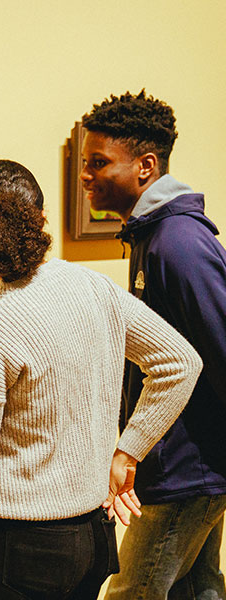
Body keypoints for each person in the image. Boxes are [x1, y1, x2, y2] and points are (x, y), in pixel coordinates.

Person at [0, 159, 202, 600]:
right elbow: (181, 362)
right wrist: (128, 452)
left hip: (16, 549)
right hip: (93, 537)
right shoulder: (94, 286)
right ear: (43, 217)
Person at [80, 90, 226, 600]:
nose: (86, 176)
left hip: (190, 469)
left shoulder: (177, 243)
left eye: (99, 163)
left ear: (145, 166)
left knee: (131, 592)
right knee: (198, 591)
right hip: (190, 464)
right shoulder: (151, 235)